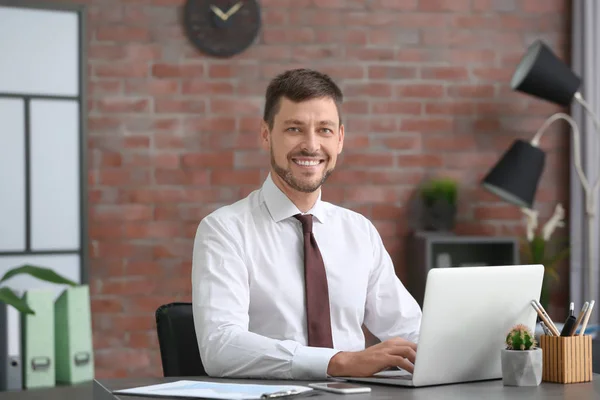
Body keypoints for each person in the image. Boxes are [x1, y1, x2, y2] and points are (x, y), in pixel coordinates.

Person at [191, 68, 422, 380]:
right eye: (294, 129)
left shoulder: (359, 231)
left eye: (324, 130)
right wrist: (339, 362)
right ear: (265, 134)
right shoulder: (224, 230)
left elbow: (410, 330)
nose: (311, 145)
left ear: (340, 139)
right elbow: (220, 347)